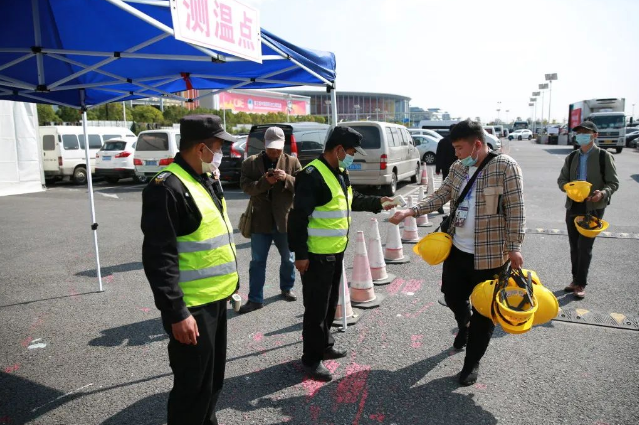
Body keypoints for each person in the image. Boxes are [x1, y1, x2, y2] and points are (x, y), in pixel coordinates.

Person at [390, 119, 525, 386]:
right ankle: (464, 324)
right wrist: (411, 211)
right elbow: (440, 196)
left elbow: (516, 210)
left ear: (477, 144)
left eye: (460, 148)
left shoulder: (505, 167)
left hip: (490, 256)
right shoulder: (458, 168)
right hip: (458, 250)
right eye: (454, 148)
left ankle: (471, 362)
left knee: (484, 313)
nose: (456, 153)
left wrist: (515, 247)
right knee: (452, 296)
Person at [141, 115, 238, 425]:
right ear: (200, 148)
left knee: (212, 383)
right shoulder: (166, 187)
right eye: (219, 147)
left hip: (216, 301)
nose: (222, 153)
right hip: (191, 309)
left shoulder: (206, 179)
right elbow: (159, 258)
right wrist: (176, 312)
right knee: (191, 388)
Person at [288, 126, 393, 382]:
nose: (352, 157)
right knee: (315, 309)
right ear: (337, 150)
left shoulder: (339, 171)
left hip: (335, 253)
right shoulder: (312, 175)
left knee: (328, 305)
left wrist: (378, 202)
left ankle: (324, 345)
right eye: (350, 152)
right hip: (315, 256)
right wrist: (300, 255)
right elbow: (297, 218)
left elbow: (351, 199)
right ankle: (311, 359)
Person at [238, 127, 301, 313]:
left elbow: (302, 185)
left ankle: (287, 288)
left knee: (288, 259)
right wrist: (266, 182)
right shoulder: (251, 163)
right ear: (265, 145)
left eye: (278, 149)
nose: (274, 153)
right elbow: (245, 187)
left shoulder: (292, 161)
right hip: (260, 221)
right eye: (271, 149)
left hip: (284, 219)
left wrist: (286, 178)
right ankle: (255, 299)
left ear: (283, 146)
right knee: (257, 261)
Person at [557, 121, 618, 299]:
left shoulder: (603, 156)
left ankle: (581, 283)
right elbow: (561, 180)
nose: (581, 135)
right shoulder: (572, 157)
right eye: (579, 132)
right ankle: (575, 279)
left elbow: (613, 183)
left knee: (585, 247)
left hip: (593, 206)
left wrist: (602, 193)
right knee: (574, 246)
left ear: (594, 135)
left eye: (586, 132)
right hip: (574, 205)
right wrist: (569, 189)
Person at [434, 124, 457, 214]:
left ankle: (440, 205)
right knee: (456, 189)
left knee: (446, 188)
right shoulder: (459, 141)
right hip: (458, 168)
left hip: (446, 168)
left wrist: (438, 168)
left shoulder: (443, 141)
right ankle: (453, 207)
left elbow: (439, 155)